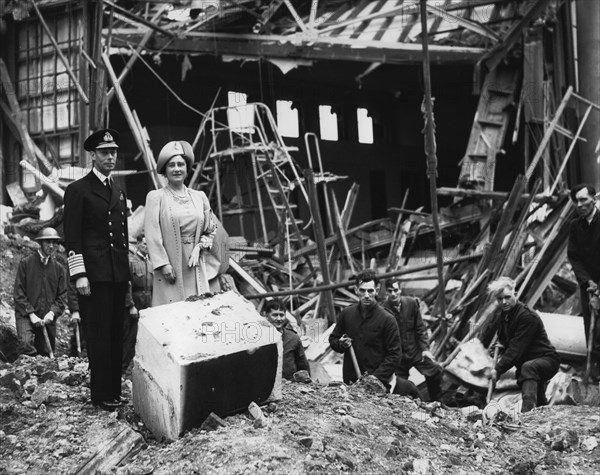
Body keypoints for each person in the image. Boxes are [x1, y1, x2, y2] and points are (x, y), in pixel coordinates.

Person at [63, 128, 130, 411]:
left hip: (116, 274)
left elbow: (122, 237)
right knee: (99, 334)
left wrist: (125, 275)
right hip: (93, 275)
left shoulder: (117, 190)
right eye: (105, 152)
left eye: (113, 152)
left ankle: (114, 390)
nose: (110, 157)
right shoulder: (78, 190)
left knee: (116, 333)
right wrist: (79, 275)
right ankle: (101, 394)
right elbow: (73, 237)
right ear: (93, 156)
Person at [144, 140, 221, 307]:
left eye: (181, 164)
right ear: (165, 170)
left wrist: (200, 247)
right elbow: (152, 234)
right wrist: (163, 264)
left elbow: (210, 230)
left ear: (187, 168)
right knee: (174, 313)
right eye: (171, 165)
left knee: (199, 309)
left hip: (195, 264)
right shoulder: (156, 197)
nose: (177, 169)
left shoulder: (200, 196)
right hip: (170, 264)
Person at [485, 277, 560, 412]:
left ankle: (527, 414)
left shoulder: (527, 317)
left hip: (547, 360)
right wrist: (499, 346)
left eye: (507, 297)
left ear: (515, 293)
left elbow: (516, 348)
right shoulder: (504, 315)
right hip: (529, 363)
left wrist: (498, 369)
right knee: (539, 400)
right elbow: (505, 338)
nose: (504, 302)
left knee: (527, 369)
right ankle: (541, 413)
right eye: (499, 299)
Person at [329, 269, 402, 391]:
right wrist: (341, 344)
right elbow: (333, 340)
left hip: (377, 386)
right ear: (356, 290)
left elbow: (394, 355)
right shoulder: (347, 314)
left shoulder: (387, 319)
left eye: (370, 291)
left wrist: (373, 380)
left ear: (377, 291)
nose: (366, 295)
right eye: (362, 290)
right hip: (351, 382)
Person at [383, 280, 443, 401]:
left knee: (435, 371)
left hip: (415, 352)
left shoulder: (411, 303)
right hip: (398, 357)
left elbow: (420, 329)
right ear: (386, 293)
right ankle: (411, 409)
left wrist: (425, 349)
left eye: (396, 290)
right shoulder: (383, 310)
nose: (393, 294)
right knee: (401, 387)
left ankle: (437, 402)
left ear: (400, 290)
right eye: (390, 291)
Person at [13, 227, 67, 357]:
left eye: (54, 242)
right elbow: (18, 293)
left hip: (46, 318)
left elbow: (62, 296)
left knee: (46, 355)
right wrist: (31, 314)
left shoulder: (58, 269)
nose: (51, 246)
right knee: (26, 345)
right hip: (26, 315)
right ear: (40, 243)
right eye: (47, 242)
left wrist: (52, 313)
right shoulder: (26, 263)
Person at [567, 184, 600, 380]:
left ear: (593, 199)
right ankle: (595, 377)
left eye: (583, 200)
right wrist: (588, 282)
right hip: (587, 285)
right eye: (576, 201)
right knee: (591, 329)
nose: (579, 205)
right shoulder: (575, 226)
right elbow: (574, 256)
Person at [122, 235, 153, 373]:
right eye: (145, 244)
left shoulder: (150, 263)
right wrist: (131, 306)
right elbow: (127, 285)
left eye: (149, 244)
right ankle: (122, 368)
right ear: (139, 244)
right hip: (135, 304)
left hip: (147, 304)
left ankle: (136, 369)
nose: (147, 247)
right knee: (129, 338)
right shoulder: (131, 261)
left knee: (143, 338)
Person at [262, 298, 310, 381]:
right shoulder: (260, 338)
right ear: (266, 316)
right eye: (275, 315)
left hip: (290, 384)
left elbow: (303, 365)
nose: (279, 319)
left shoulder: (293, 338)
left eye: (281, 315)